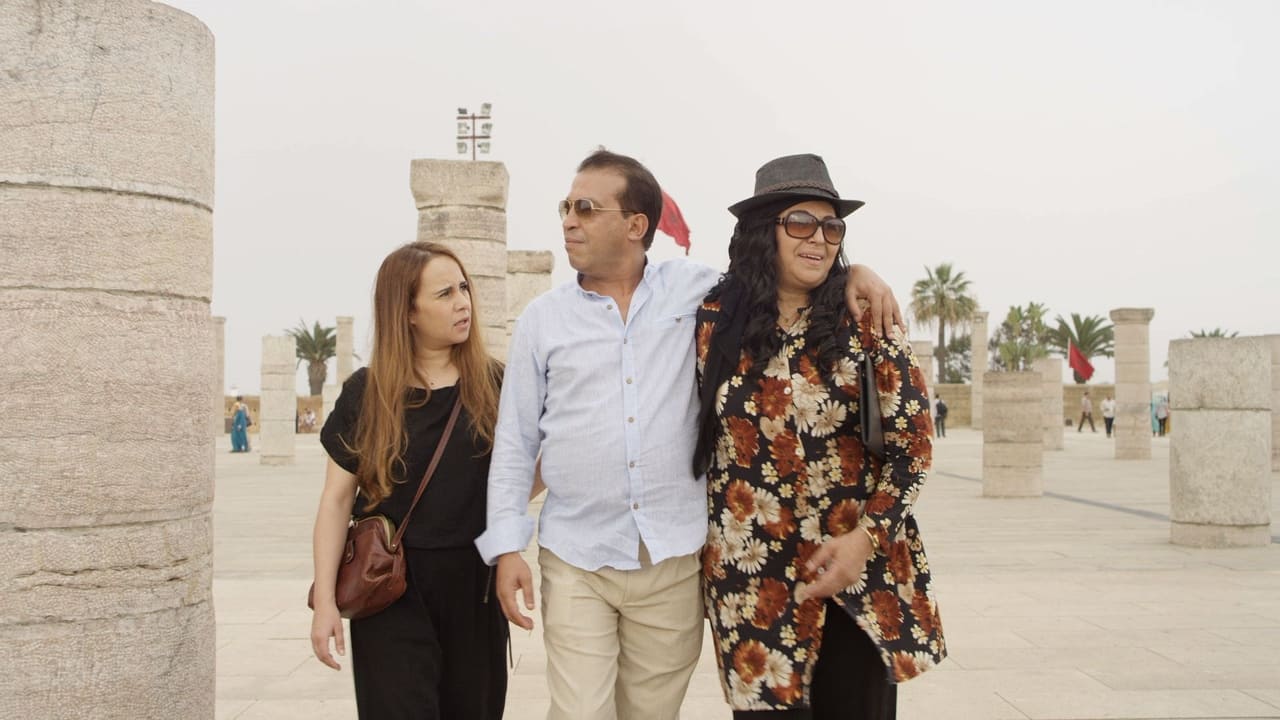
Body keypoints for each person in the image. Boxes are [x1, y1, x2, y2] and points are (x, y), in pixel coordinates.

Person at [476, 149, 903, 720]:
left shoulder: (697, 293)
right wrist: (507, 546)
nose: (569, 221)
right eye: (566, 207)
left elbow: (781, 271)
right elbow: (515, 443)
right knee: (579, 711)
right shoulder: (542, 320)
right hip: (576, 555)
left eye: (585, 208)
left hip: (672, 557)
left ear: (636, 225)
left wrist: (854, 271)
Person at [692, 154, 944, 719]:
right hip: (752, 587)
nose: (820, 239)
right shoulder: (712, 322)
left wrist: (866, 540)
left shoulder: (867, 321)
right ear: (764, 231)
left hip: (856, 582)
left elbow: (914, 448)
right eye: (801, 223)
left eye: (832, 227)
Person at [310, 241, 508, 719]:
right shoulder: (367, 392)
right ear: (408, 312)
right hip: (390, 586)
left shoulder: (496, 383)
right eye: (445, 293)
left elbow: (529, 472)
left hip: (476, 587)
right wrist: (325, 603)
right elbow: (336, 501)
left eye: (464, 288)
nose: (463, 302)